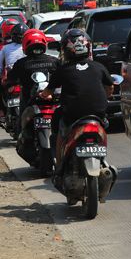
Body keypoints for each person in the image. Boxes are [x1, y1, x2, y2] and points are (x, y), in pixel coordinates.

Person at [39, 29, 114, 160]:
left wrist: (43, 95)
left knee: (57, 126)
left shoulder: (62, 70)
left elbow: (48, 92)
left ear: (65, 50)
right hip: (98, 114)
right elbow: (110, 87)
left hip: (72, 115)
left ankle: (58, 163)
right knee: (105, 124)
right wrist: (104, 97)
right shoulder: (99, 67)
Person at [8, 29, 59, 163]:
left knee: (21, 127)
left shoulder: (21, 63)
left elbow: (11, 80)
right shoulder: (54, 61)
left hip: (31, 104)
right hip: (53, 102)